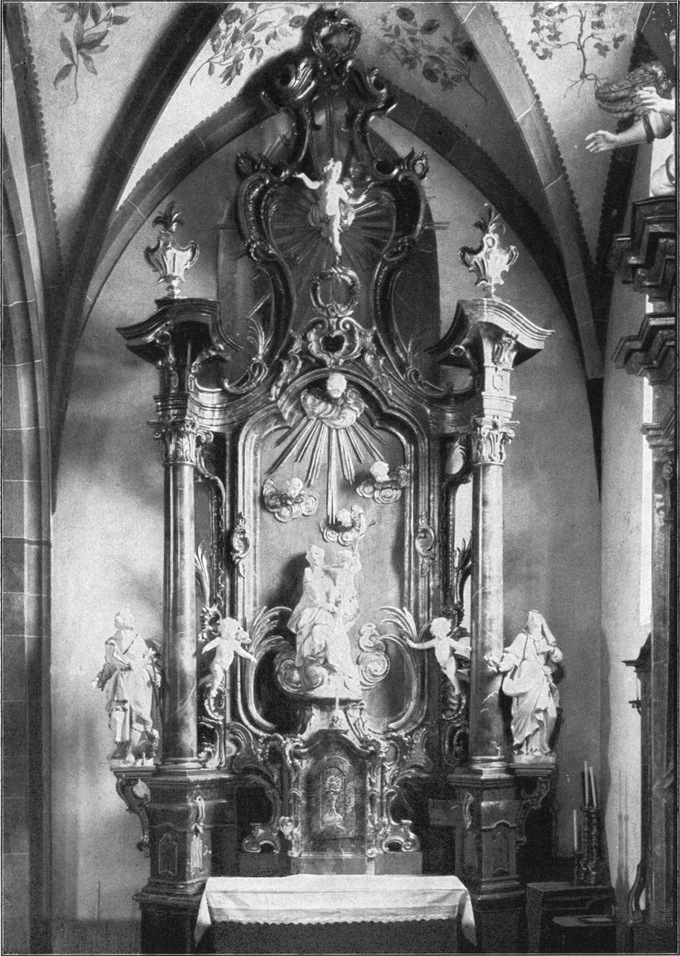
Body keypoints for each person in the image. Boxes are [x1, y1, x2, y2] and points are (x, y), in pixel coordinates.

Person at [585, 40, 676, 197]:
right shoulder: (673, 88)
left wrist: (663, 104)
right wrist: (617, 140)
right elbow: (654, 125)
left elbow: (669, 107)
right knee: (658, 184)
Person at [487, 610, 563, 758]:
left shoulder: (545, 640)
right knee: (528, 712)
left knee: (550, 714)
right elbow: (512, 655)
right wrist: (505, 665)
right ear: (528, 623)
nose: (535, 621)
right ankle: (526, 747)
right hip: (526, 679)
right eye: (532, 619)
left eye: (538, 619)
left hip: (541, 679)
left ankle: (541, 747)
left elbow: (558, 657)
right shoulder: (522, 638)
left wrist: (550, 648)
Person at [92, 609, 160, 763]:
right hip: (121, 682)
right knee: (118, 715)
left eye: (121, 618)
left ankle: (132, 751)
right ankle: (121, 746)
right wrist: (99, 679)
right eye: (118, 619)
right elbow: (110, 664)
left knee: (138, 716)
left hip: (138, 681)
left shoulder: (138, 640)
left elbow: (149, 663)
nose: (117, 620)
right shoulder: (112, 642)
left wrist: (158, 677)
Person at [295, 159, 366, 258]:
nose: (335, 174)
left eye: (337, 172)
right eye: (332, 171)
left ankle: (337, 246)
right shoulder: (322, 184)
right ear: (326, 172)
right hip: (321, 212)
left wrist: (357, 200)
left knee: (333, 228)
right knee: (328, 228)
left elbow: (347, 199)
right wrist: (303, 176)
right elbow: (311, 185)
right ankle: (332, 240)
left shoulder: (339, 187)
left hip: (334, 212)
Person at [405, 616, 471, 695]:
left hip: (450, 661)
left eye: (443, 632)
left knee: (451, 675)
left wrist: (464, 648)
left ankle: (458, 689)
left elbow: (457, 646)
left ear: (446, 631)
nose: (441, 634)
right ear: (435, 632)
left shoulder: (448, 640)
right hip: (442, 664)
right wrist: (414, 645)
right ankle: (467, 679)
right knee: (453, 674)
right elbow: (424, 645)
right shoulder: (434, 642)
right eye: (439, 632)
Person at [202, 616, 257, 699]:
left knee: (214, 677)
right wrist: (205, 648)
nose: (227, 633)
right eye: (224, 631)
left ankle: (201, 681)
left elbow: (241, 652)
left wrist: (250, 657)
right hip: (217, 664)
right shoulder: (220, 640)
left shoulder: (233, 643)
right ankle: (212, 692)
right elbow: (211, 644)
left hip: (223, 666)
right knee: (218, 676)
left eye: (230, 632)